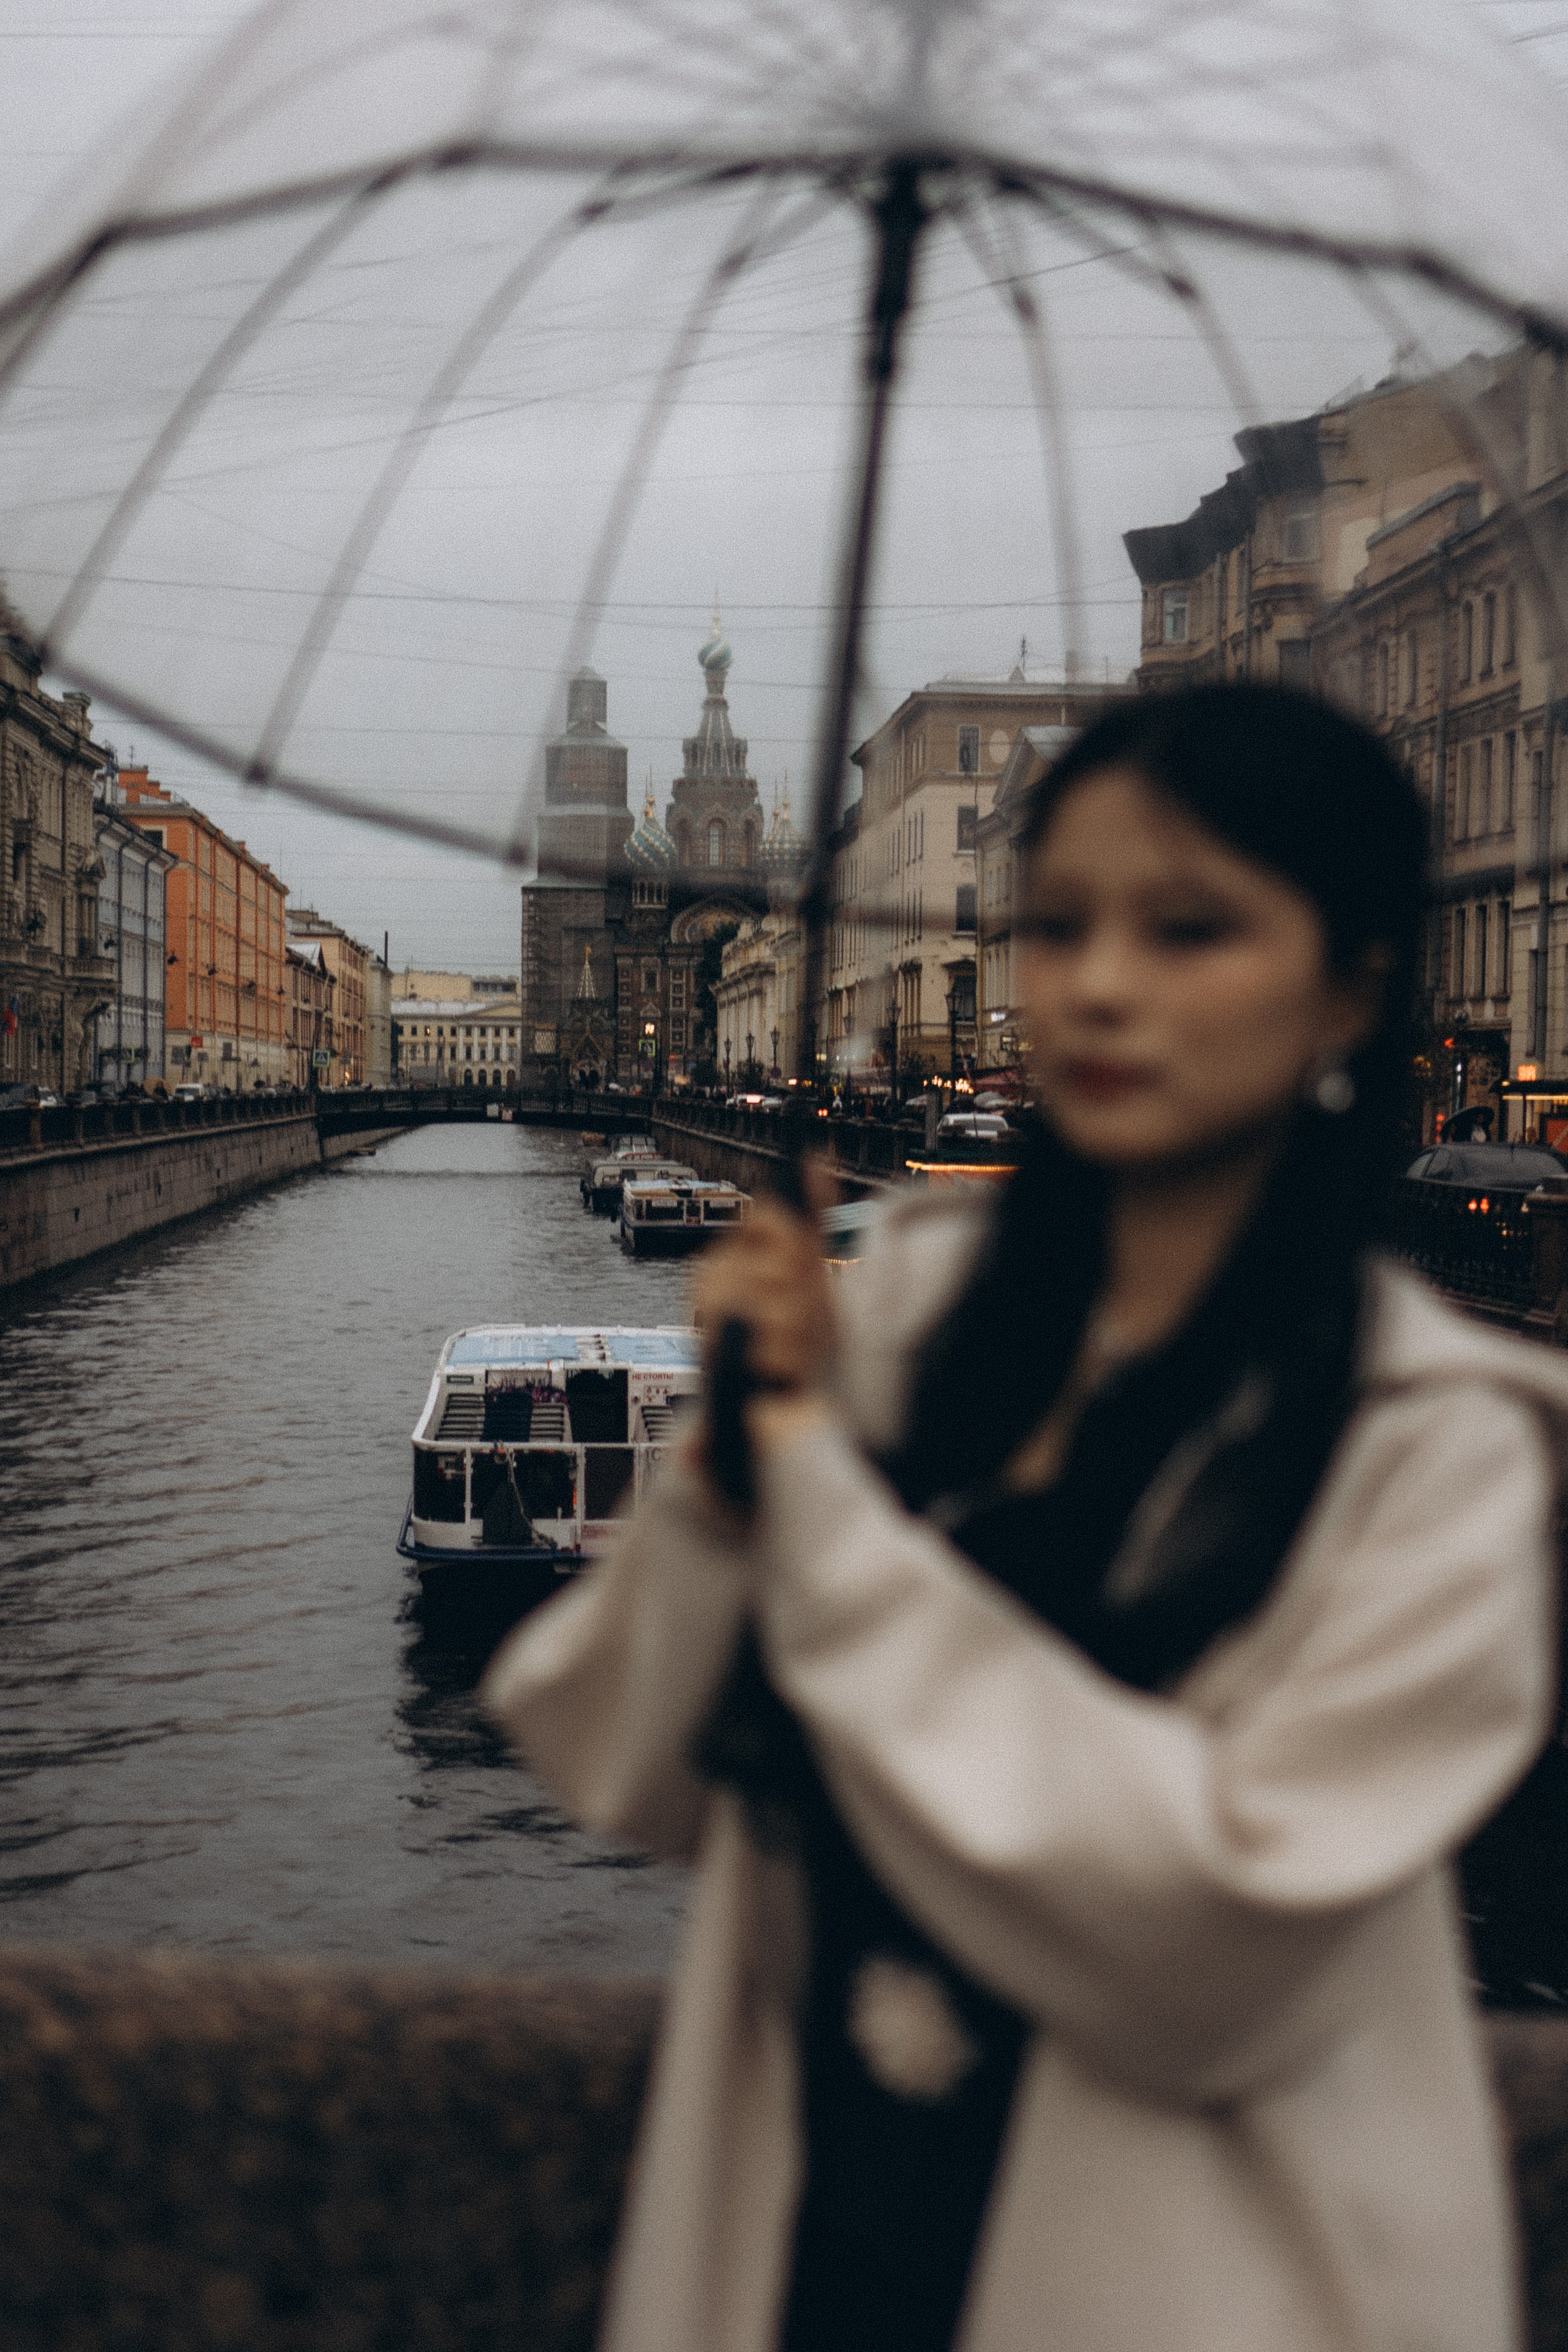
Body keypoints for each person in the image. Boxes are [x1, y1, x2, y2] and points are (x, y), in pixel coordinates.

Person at [483, 683, 1568, 2352]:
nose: (1102, 985)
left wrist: (829, 1528)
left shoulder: (1446, 1448)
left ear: (1353, 990)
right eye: (1057, 925)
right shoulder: (901, 1328)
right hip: (818, 2254)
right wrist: (724, 1479)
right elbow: (617, 1758)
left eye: (1191, 928)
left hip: (1210, 2293)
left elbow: (1207, 1957)